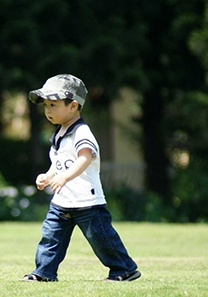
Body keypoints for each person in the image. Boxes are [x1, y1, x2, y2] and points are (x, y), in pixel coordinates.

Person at [21, 74, 141, 282]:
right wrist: (48, 176)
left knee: (101, 238)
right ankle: (44, 273)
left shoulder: (82, 132)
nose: (47, 110)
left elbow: (85, 158)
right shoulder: (60, 132)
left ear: (73, 106)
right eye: (46, 105)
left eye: (53, 104)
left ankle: (125, 269)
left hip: (87, 201)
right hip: (62, 201)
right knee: (51, 237)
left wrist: (65, 177)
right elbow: (59, 162)